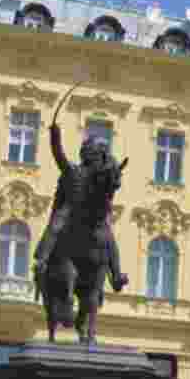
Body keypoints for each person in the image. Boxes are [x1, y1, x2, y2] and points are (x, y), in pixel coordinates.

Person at [34, 123, 128, 298]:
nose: (95, 157)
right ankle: (42, 260)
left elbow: (108, 189)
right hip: (70, 209)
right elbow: (58, 155)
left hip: (90, 214)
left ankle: (116, 275)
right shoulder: (73, 170)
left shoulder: (97, 176)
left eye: (97, 154)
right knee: (56, 224)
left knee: (108, 236)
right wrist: (55, 135)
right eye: (93, 153)